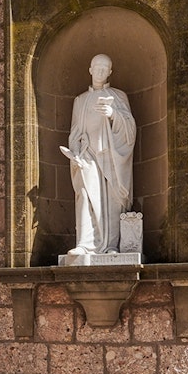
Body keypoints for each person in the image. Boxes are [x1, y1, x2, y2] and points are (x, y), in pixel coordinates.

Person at [61, 53, 136, 255]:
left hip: (111, 155)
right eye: (97, 67)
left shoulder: (118, 96)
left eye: (105, 68)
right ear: (90, 70)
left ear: (110, 72)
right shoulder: (81, 100)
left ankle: (112, 246)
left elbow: (130, 129)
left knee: (112, 198)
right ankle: (85, 244)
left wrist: (113, 115)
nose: (101, 71)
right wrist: (76, 152)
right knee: (85, 194)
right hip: (88, 154)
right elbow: (75, 131)